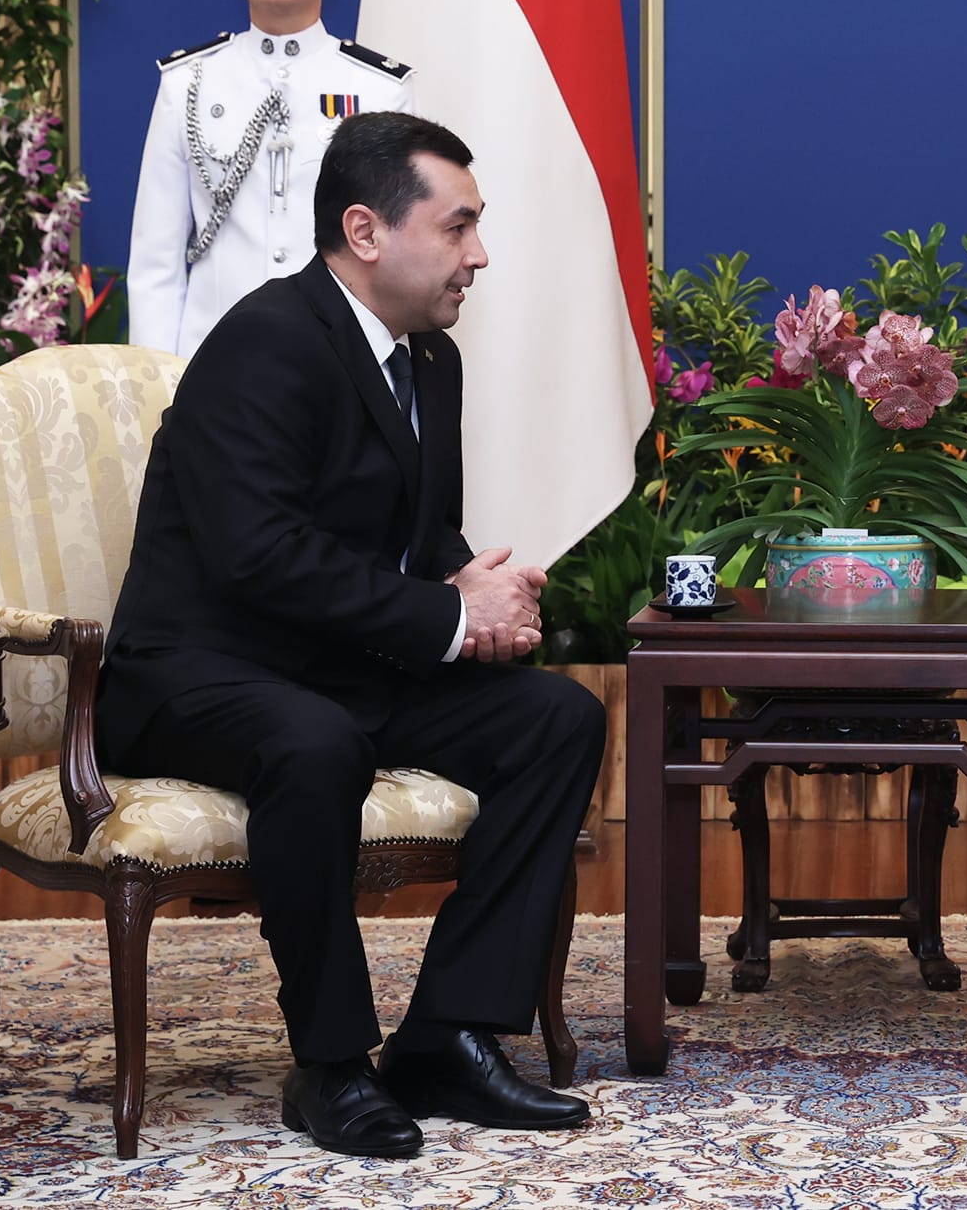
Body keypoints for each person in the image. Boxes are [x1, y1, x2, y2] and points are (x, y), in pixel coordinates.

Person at [96, 111, 605, 1158]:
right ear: (367, 231)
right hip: (195, 675)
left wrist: (474, 591)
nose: (480, 252)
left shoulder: (430, 360)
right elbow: (258, 554)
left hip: (334, 670)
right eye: (458, 226)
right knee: (313, 740)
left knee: (555, 719)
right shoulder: (268, 339)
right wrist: (449, 618)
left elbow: (407, 540)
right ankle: (329, 1065)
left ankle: (450, 1036)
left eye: (479, 228)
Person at [128, 0, 418, 357]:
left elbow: (397, 247)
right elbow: (157, 259)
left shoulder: (378, 89)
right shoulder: (188, 83)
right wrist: (157, 383)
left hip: (338, 361)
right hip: (213, 359)